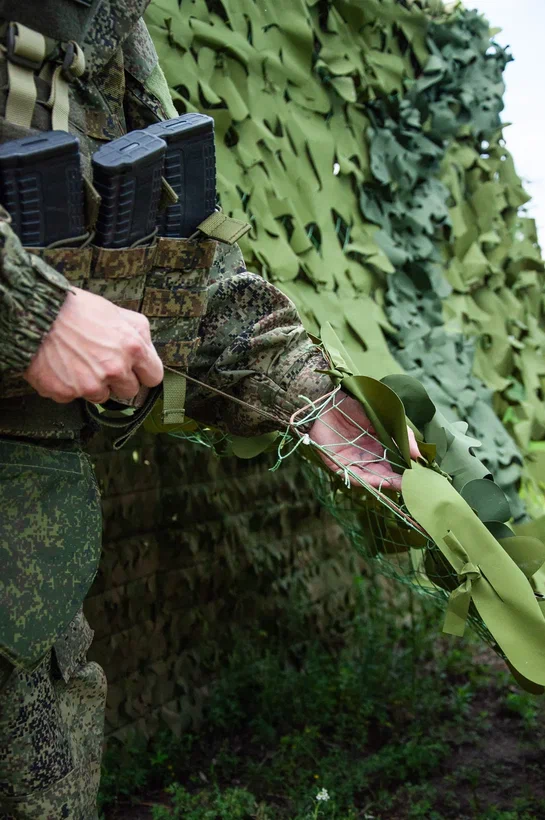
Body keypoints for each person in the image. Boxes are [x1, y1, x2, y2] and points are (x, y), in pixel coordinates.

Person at [0, 3, 417, 817]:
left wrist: (315, 398)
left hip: (29, 537)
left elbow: (189, 260)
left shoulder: (106, 20)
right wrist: (29, 310)